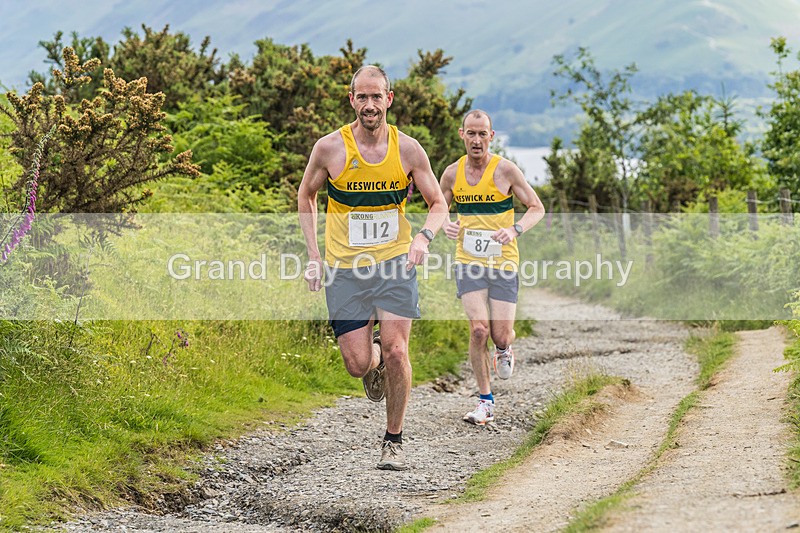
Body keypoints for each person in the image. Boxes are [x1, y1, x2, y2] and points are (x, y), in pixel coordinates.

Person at [297, 65, 448, 470]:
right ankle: (374, 357)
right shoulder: (329, 148)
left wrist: (423, 237)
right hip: (346, 269)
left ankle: (393, 440)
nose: (369, 104)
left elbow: (438, 204)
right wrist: (315, 257)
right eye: (361, 97)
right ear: (351, 100)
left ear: (389, 99)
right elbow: (306, 197)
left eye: (376, 96)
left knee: (400, 351)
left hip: (396, 263)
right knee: (357, 364)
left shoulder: (408, 150)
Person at [439, 109, 545, 426]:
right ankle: (485, 401)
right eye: (470, 133)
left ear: (491, 136)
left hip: (503, 261)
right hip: (468, 260)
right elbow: (437, 206)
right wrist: (445, 224)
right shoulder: (451, 174)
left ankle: (504, 347)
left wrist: (515, 230)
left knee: (500, 332)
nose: (476, 140)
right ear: (462, 135)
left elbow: (537, 208)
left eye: (482, 133)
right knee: (478, 329)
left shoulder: (506, 171)